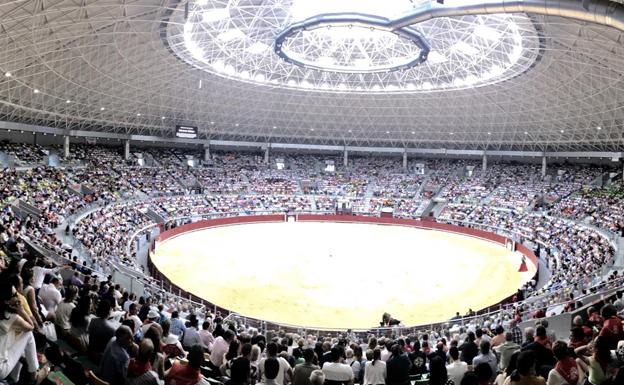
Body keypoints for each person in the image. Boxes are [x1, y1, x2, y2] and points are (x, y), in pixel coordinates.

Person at [0, 283, 48, 384]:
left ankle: (16, 377)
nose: (17, 296)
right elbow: (31, 327)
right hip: (1, 369)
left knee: (19, 334)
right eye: (14, 295)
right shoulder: (12, 318)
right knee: (28, 334)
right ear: (6, 301)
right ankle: (34, 375)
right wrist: (22, 310)